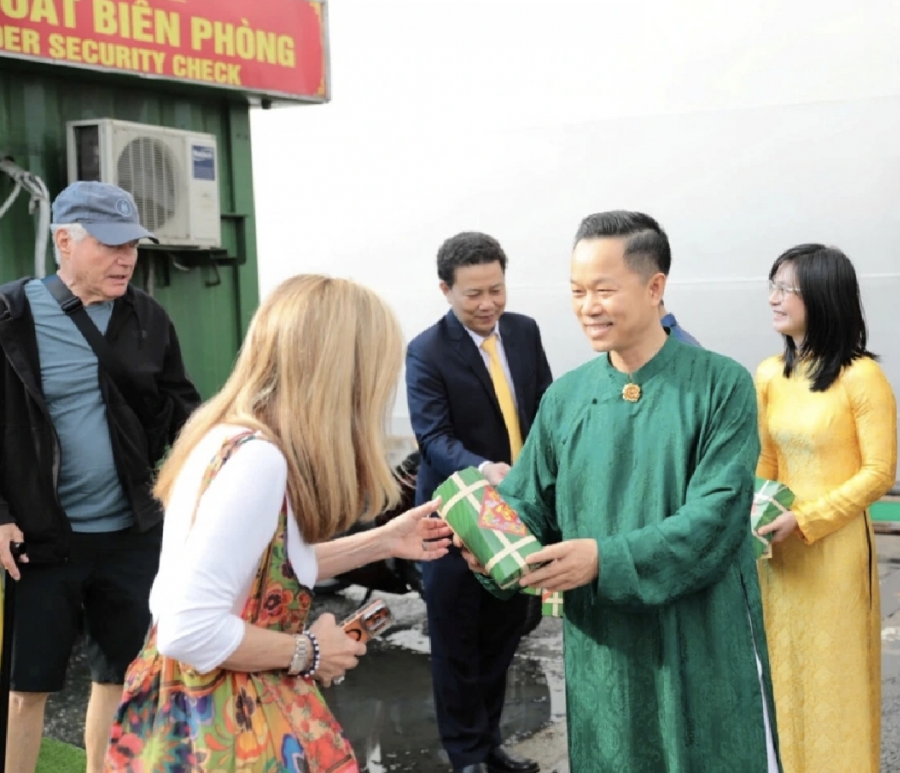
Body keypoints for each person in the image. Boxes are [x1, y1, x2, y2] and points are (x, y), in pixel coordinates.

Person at [462, 211, 780, 772]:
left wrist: (602, 559)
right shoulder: (566, 398)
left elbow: (715, 517)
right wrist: (489, 544)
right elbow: (527, 502)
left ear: (655, 287)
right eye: (578, 291)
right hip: (604, 648)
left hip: (701, 638)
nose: (588, 306)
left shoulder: (720, 383)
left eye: (604, 290)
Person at [105, 275, 453, 771]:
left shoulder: (225, 435)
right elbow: (188, 627)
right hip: (234, 724)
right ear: (341, 372)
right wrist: (309, 651)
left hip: (190, 710)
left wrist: (386, 540)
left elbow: (262, 566)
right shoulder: (259, 461)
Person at [0, 181, 201, 773]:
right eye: (110, 245)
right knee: (25, 690)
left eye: (133, 245)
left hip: (131, 534)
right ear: (64, 241)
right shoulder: (10, 316)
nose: (126, 259)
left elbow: (185, 414)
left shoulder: (149, 317)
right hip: (40, 540)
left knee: (120, 677)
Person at [405, 232, 552, 773]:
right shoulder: (426, 351)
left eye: (496, 289)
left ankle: (490, 748)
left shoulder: (524, 332)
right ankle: (466, 758)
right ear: (446, 290)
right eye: (473, 294)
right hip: (457, 515)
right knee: (457, 641)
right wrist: (483, 468)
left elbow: (544, 411)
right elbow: (432, 437)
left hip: (517, 513)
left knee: (503, 633)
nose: (488, 303)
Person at [754, 244, 897, 773]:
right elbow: (765, 460)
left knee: (836, 682)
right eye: (772, 285)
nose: (774, 298)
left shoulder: (861, 377)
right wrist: (756, 518)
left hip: (833, 552)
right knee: (783, 675)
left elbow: (879, 472)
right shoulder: (770, 373)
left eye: (786, 288)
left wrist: (807, 519)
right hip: (778, 552)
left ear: (823, 295)